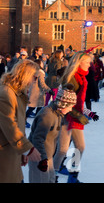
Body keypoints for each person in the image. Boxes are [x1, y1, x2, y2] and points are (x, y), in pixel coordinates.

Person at [53, 51, 99, 183]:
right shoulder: (72, 78)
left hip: (75, 117)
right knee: (62, 150)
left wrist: (88, 112)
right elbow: (63, 102)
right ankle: (53, 177)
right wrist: (78, 114)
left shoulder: (82, 77)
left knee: (79, 147)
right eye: (87, 62)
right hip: (67, 117)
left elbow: (79, 101)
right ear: (79, 63)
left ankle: (72, 176)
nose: (90, 65)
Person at [0, 59, 41, 183]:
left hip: (12, 151)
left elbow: (19, 126)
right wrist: (28, 149)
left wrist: (23, 151)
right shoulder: (6, 94)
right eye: (34, 77)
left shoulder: (17, 92)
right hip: (4, 152)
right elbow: (10, 126)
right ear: (26, 75)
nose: (35, 81)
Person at [27, 85, 77, 183]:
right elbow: (37, 139)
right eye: (70, 107)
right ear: (63, 104)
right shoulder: (47, 116)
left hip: (47, 157)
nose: (71, 110)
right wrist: (43, 160)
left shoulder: (58, 114)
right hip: (39, 157)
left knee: (51, 180)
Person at [26, 59, 53, 127]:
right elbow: (42, 84)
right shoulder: (40, 72)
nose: (43, 64)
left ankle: (31, 121)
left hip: (33, 92)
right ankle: (35, 123)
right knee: (37, 108)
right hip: (38, 94)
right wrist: (49, 90)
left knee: (33, 108)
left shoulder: (33, 72)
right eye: (41, 63)